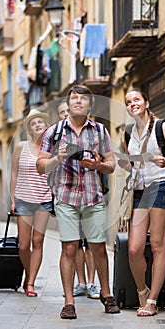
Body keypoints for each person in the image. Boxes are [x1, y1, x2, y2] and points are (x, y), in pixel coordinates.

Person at [37, 85, 120, 319]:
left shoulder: (100, 131)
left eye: (83, 99)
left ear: (89, 105)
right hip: (65, 196)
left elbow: (111, 164)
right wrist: (58, 157)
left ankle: (106, 295)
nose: (78, 102)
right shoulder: (54, 132)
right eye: (74, 98)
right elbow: (40, 166)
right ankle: (69, 302)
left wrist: (98, 166)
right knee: (69, 248)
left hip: (93, 196)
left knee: (98, 247)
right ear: (68, 103)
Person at [118, 88, 165, 316]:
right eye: (128, 101)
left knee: (157, 245)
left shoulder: (162, 127)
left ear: (146, 103)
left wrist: (164, 161)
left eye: (136, 100)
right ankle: (142, 293)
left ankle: (153, 300)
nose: (132, 104)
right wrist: (125, 163)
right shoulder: (128, 133)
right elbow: (132, 164)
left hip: (162, 186)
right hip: (140, 191)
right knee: (134, 248)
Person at [57, 99, 100, 300]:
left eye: (68, 111)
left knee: (91, 242)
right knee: (73, 244)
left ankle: (92, 283)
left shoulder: (91, 133)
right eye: (62, 112)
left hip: (91, 195)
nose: (66, 115)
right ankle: (81, 282)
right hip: (67, 197)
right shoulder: (57, 137)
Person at [10, 108, 53, 297]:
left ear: (45, 126)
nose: (37, 125)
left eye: (40, 122)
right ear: (29, 127)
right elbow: (13, 173)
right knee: (23, 244)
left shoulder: (51, 148)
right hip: (23, 199)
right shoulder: (21, 146)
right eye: (33, 123)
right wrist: (12, 199)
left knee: (38, 241)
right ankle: (29, 274)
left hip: (44, 198)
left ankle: (31, 283)